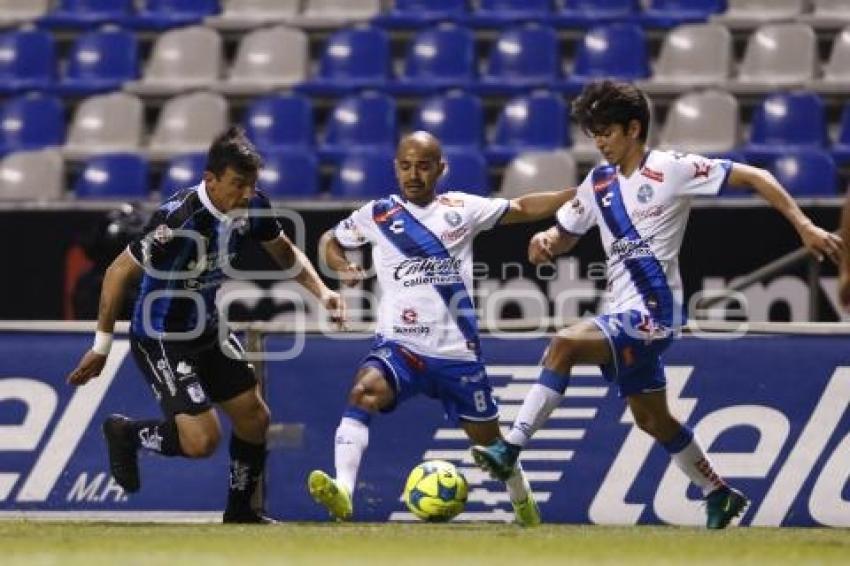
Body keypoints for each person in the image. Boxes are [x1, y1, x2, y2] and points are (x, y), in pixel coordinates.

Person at [470, 80, 843, 529]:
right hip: (620, 311)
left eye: (606, 131)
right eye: (594, 133)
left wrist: (803, 226)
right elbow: (567, 233)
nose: (600, 141)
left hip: (654, 314)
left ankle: (509, 447)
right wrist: (547, 239)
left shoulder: (673, 168)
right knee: (651, 418)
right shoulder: (598, 182)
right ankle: (719, 493)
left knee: (564, 345)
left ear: (633, 128)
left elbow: (755, 176)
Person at [67, 125, 344, 523]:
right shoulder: (176, 220)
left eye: (251, 184)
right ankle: (128, 434)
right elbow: (116, 273)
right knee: (202, 442)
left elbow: (283, 252)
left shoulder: (253, 207)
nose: (246, 193)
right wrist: (101, 347)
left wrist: (323, 292)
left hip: (208, 328)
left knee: (255, 419)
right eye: (237, 184)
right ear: (209, 180)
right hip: (162, 335)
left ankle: (240, 514)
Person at [306, 131, 574, 526]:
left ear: (440, 169)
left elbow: (521, 207)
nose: (413, 174)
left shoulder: (462, 208)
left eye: (423, 165)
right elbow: (331, 239)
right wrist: (342, 266)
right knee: (363, 391)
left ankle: (522, 501)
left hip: (456, 354)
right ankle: (344, 491)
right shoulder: (377, 214)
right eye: (405, 165)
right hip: (401, 346)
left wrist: (580, 193)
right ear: (395, 167)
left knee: (490, 443)